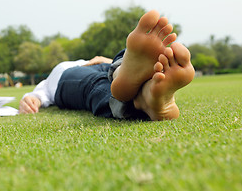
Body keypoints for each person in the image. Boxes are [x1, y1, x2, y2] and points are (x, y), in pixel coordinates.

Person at [19, 10, 195, 121]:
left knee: (116, 66)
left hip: (102, 66)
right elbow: (37, 95)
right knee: (97, 82)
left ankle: (134, 83)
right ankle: (141, 94)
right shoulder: (50, 80)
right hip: (66, 77)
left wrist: (108, 63)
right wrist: (31, 98)